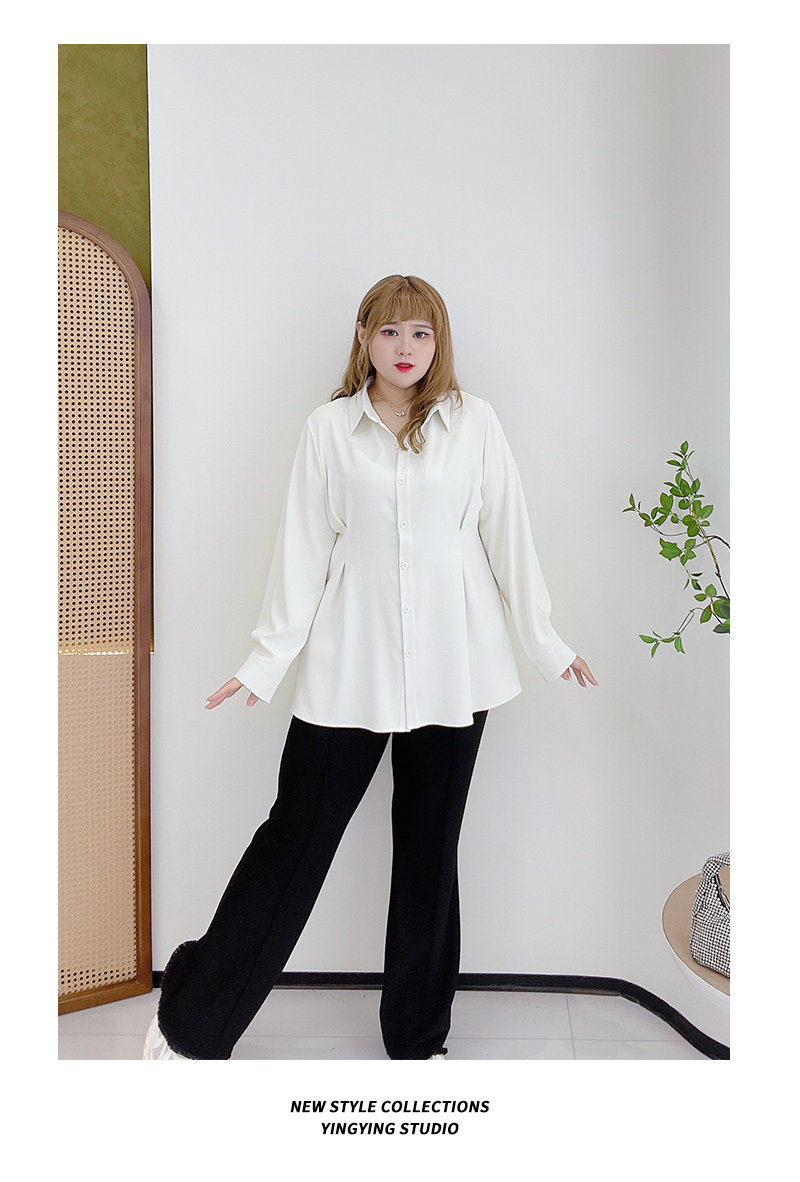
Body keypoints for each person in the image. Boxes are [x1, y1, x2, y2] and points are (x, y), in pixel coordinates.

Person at [143, 274, 597, 1061]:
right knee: (295, 839)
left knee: (430, 851)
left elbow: (508, 538)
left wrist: (547, 642)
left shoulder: (475, 422)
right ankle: (193, 1026)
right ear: (364, 337)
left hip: (457, 668)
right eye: (390, 331)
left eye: (421, 332)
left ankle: (417, 1043)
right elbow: (303, 550)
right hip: (349, 667)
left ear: (438, 340)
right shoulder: (328, 430)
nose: (406, 347)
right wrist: (264, 661)